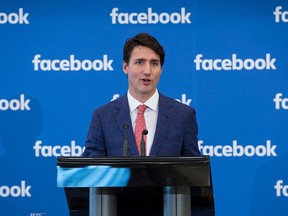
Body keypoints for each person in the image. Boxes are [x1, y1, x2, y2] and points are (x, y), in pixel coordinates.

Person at [82, 33, 200, 157]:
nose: (147, 71)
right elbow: (91, 172)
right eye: (140, 63)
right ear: (125, 67)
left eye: (154, 63)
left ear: (161, 69)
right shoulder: (103, 117)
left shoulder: (183, 116)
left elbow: (195, 172)